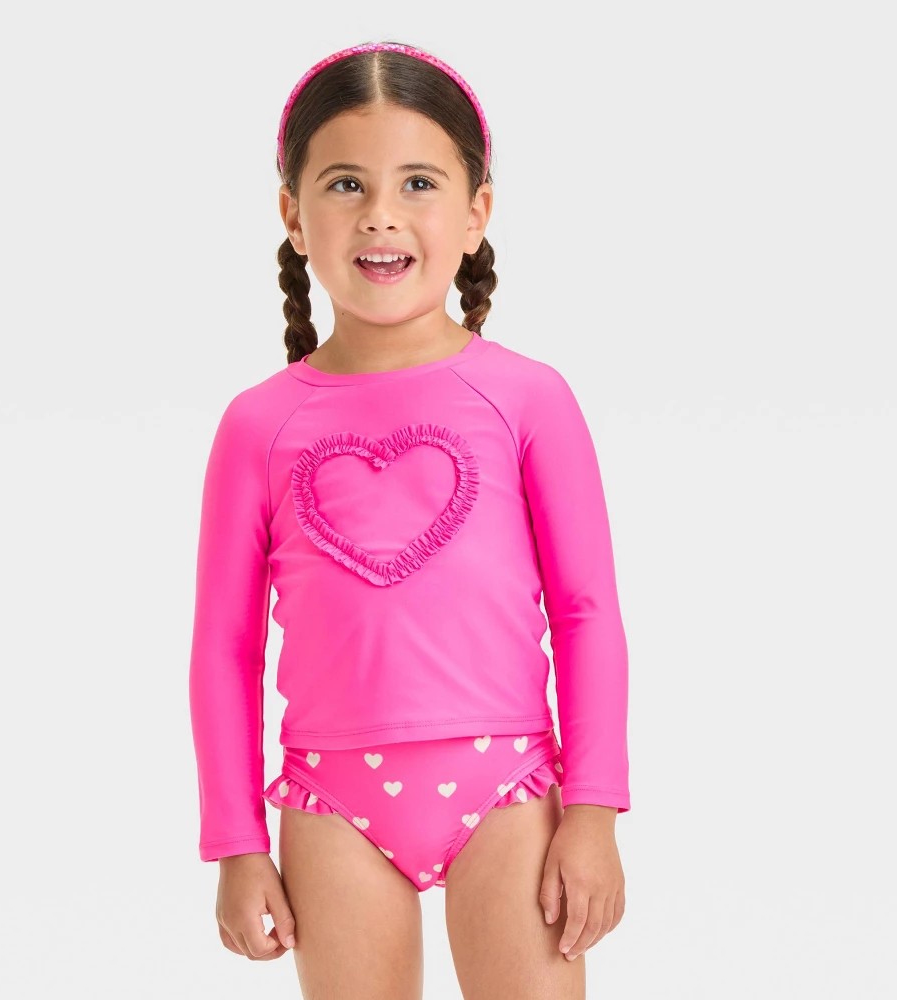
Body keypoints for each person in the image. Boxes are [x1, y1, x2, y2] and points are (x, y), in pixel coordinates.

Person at [188, 39, 630, 999]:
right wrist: (236, 843)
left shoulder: (529, 398)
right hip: (329, 799)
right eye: (345, 183)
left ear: (476, 213)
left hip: (509, 785)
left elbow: (586, 609)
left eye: (418, 183)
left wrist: (594, 811)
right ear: (292, 215)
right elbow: (223, 647)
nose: (380, 213)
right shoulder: (257, 425)